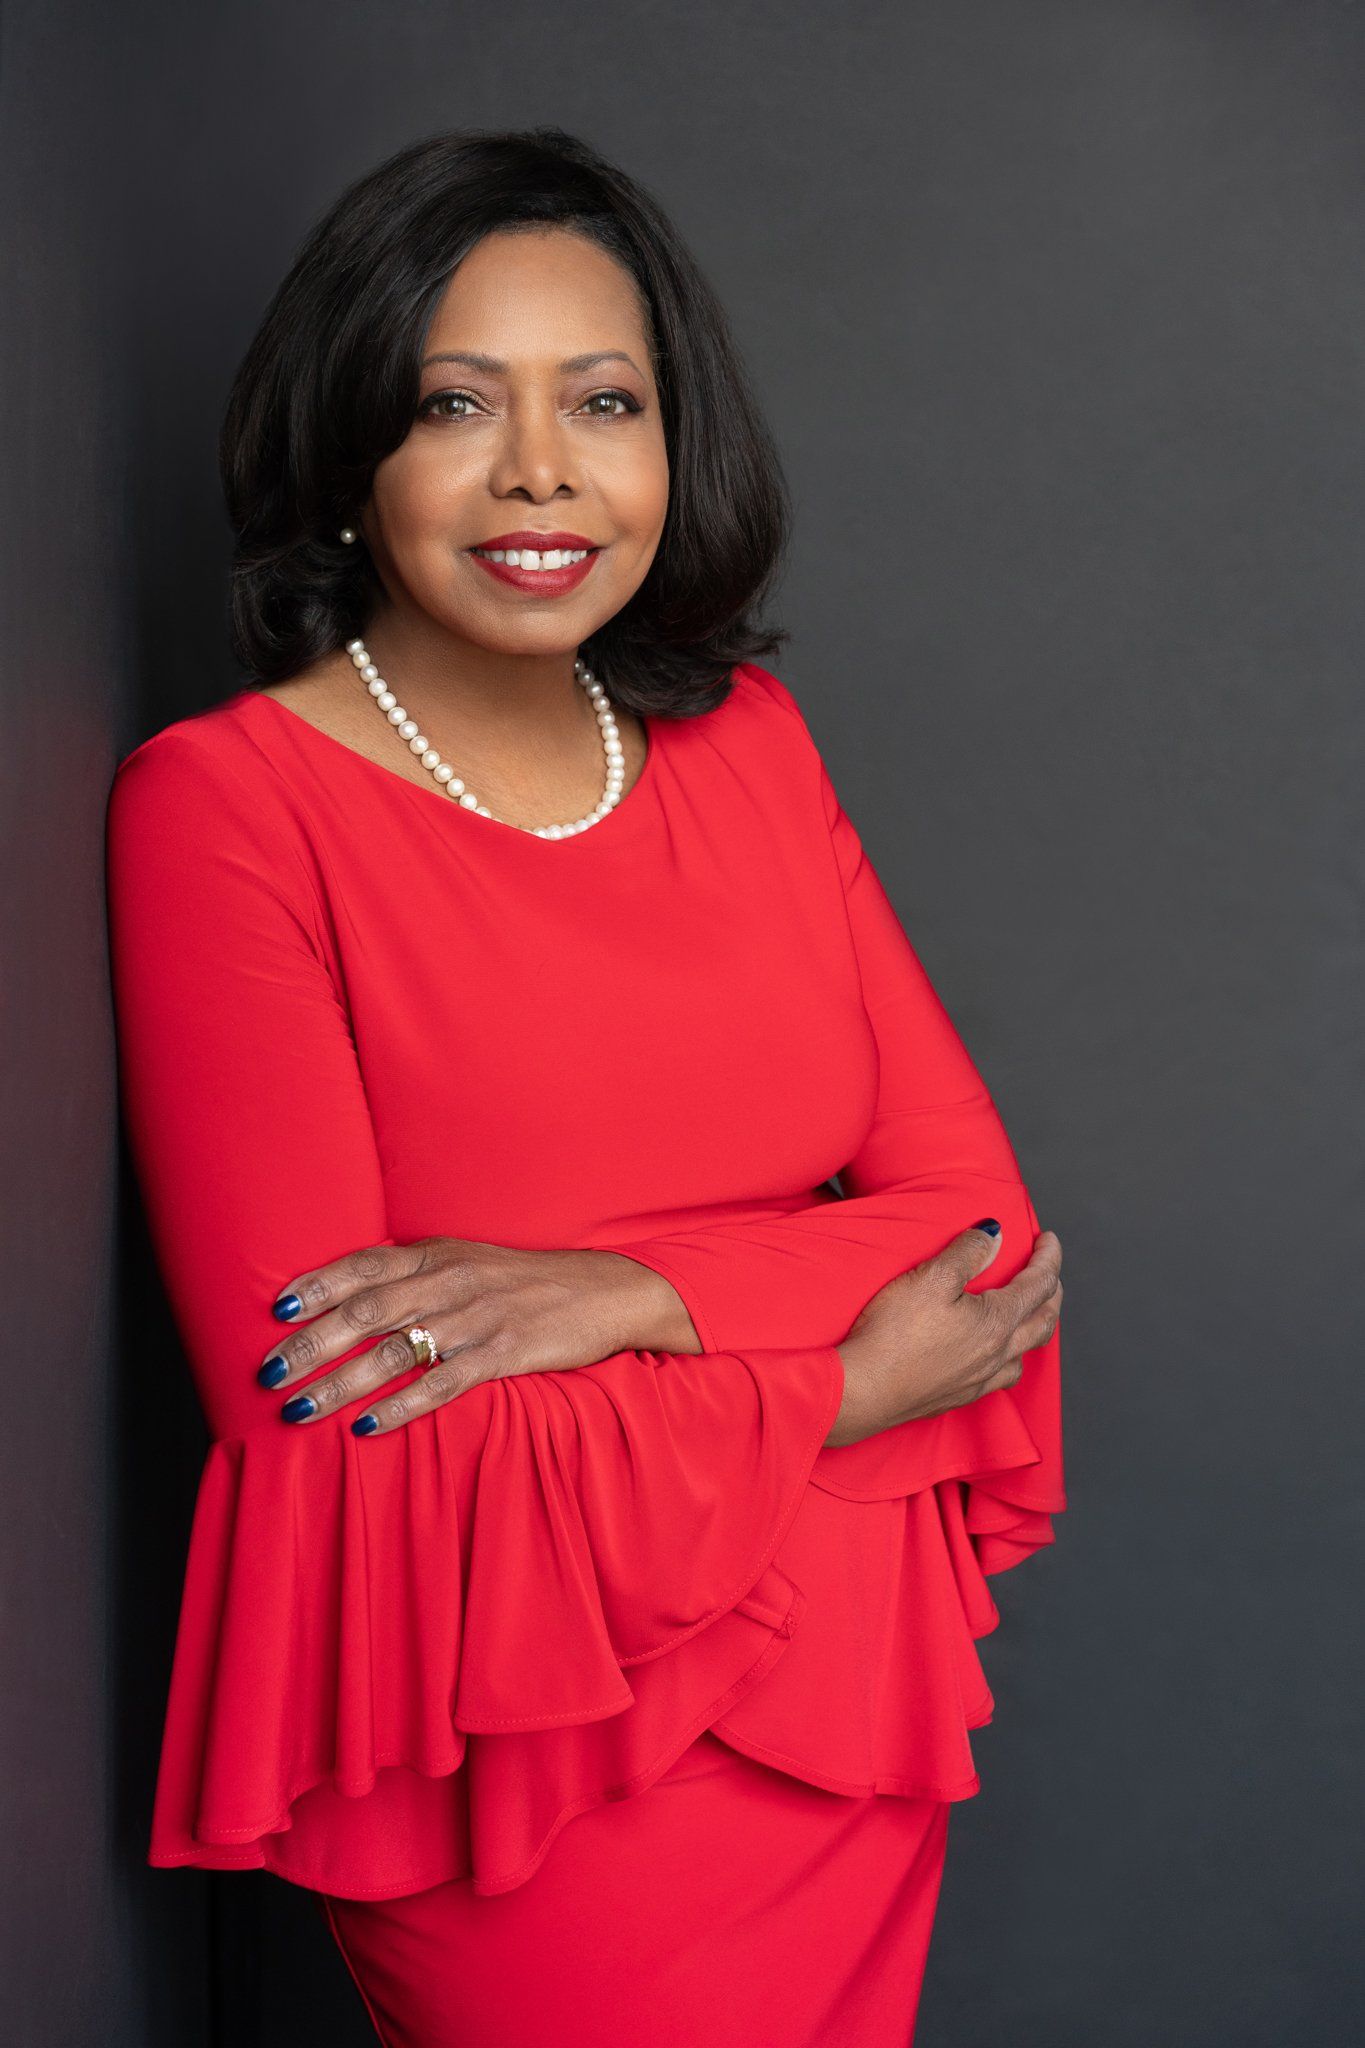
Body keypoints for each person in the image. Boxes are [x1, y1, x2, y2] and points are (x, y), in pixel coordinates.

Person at [104, 126, 1066, 2048]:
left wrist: (630, 1299)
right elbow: (330, 1411)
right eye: (456, 403)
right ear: (347, 456)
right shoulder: (229, 809)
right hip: (515, 1749)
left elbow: (981, 1241)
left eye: (602, 402)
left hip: (833, 1711)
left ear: (668, 443)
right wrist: (842, 1385)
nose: (541, 469)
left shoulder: (746, 748)